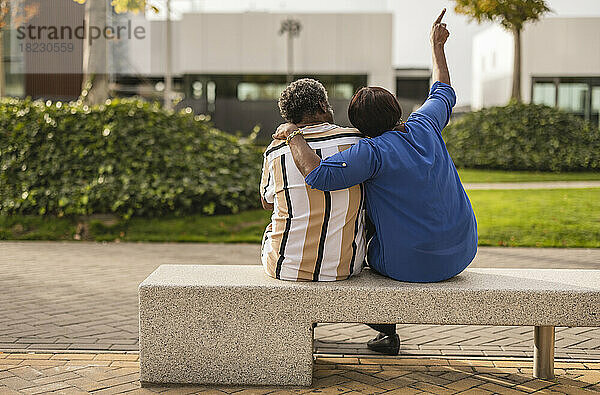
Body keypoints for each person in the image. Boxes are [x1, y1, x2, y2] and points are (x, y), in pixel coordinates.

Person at [272, 9, 478, 356]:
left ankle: (380, 327)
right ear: (397, 109)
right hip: (463, 250)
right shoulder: (424, 124)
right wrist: (436, 45)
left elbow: (319, 175)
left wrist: (293, 137)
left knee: (357, 239)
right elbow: (443, 87)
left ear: (360, 127)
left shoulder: (370, 151)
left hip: (412, 265)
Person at [260, 78, 367, 282]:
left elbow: (267, 202)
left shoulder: (275, 150)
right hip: (345, 267)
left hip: (284, 268)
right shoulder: (356, 140)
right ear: (322, 105)